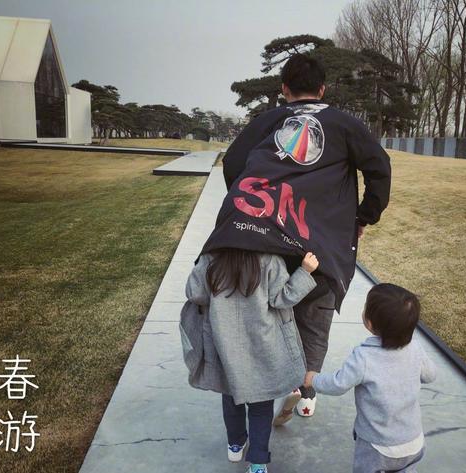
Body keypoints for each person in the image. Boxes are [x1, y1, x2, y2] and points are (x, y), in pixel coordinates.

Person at [203, 53, 392, 420]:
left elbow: (233, 164)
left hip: (264, 241)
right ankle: (305, 389)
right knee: (316, 314)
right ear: (322, 89)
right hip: (320, 243)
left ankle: (270, 380)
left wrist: (253, 208)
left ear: (284, 89)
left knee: (271, 311)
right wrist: (364, 215)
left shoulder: (267, 121)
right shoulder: (344, 123)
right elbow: (379, 166)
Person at [185, 248, 320, 473]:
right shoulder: (270, 259)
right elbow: (282, 298)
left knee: (231, 397)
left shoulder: (212, 258)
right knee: (261, 406)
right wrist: (304, 272)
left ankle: (235, 443)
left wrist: (202, 260)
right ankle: (258, 462)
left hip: (224, 345)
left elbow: (195, 293)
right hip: (262, 347)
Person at [304, 284, 437, 473]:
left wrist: (314, 380)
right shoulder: (415, 349)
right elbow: (431, 375)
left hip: (378, 446)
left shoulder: (364, 357)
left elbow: (338, 384)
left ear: (370, 323)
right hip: (413, 441)